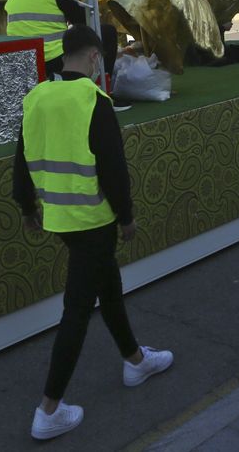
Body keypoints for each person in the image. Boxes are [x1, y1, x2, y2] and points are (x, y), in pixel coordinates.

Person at [13, 27, 173, 439]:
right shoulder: (93, 100)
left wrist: (27, 208)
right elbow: (113, 170)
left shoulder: (35, 98)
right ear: (93, 58)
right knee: (78, 310)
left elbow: (21, 160)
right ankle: (48, 409)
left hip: (58, 219)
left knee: (110, 286)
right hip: (93, 220)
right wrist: (127, 217)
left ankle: (136, 360)